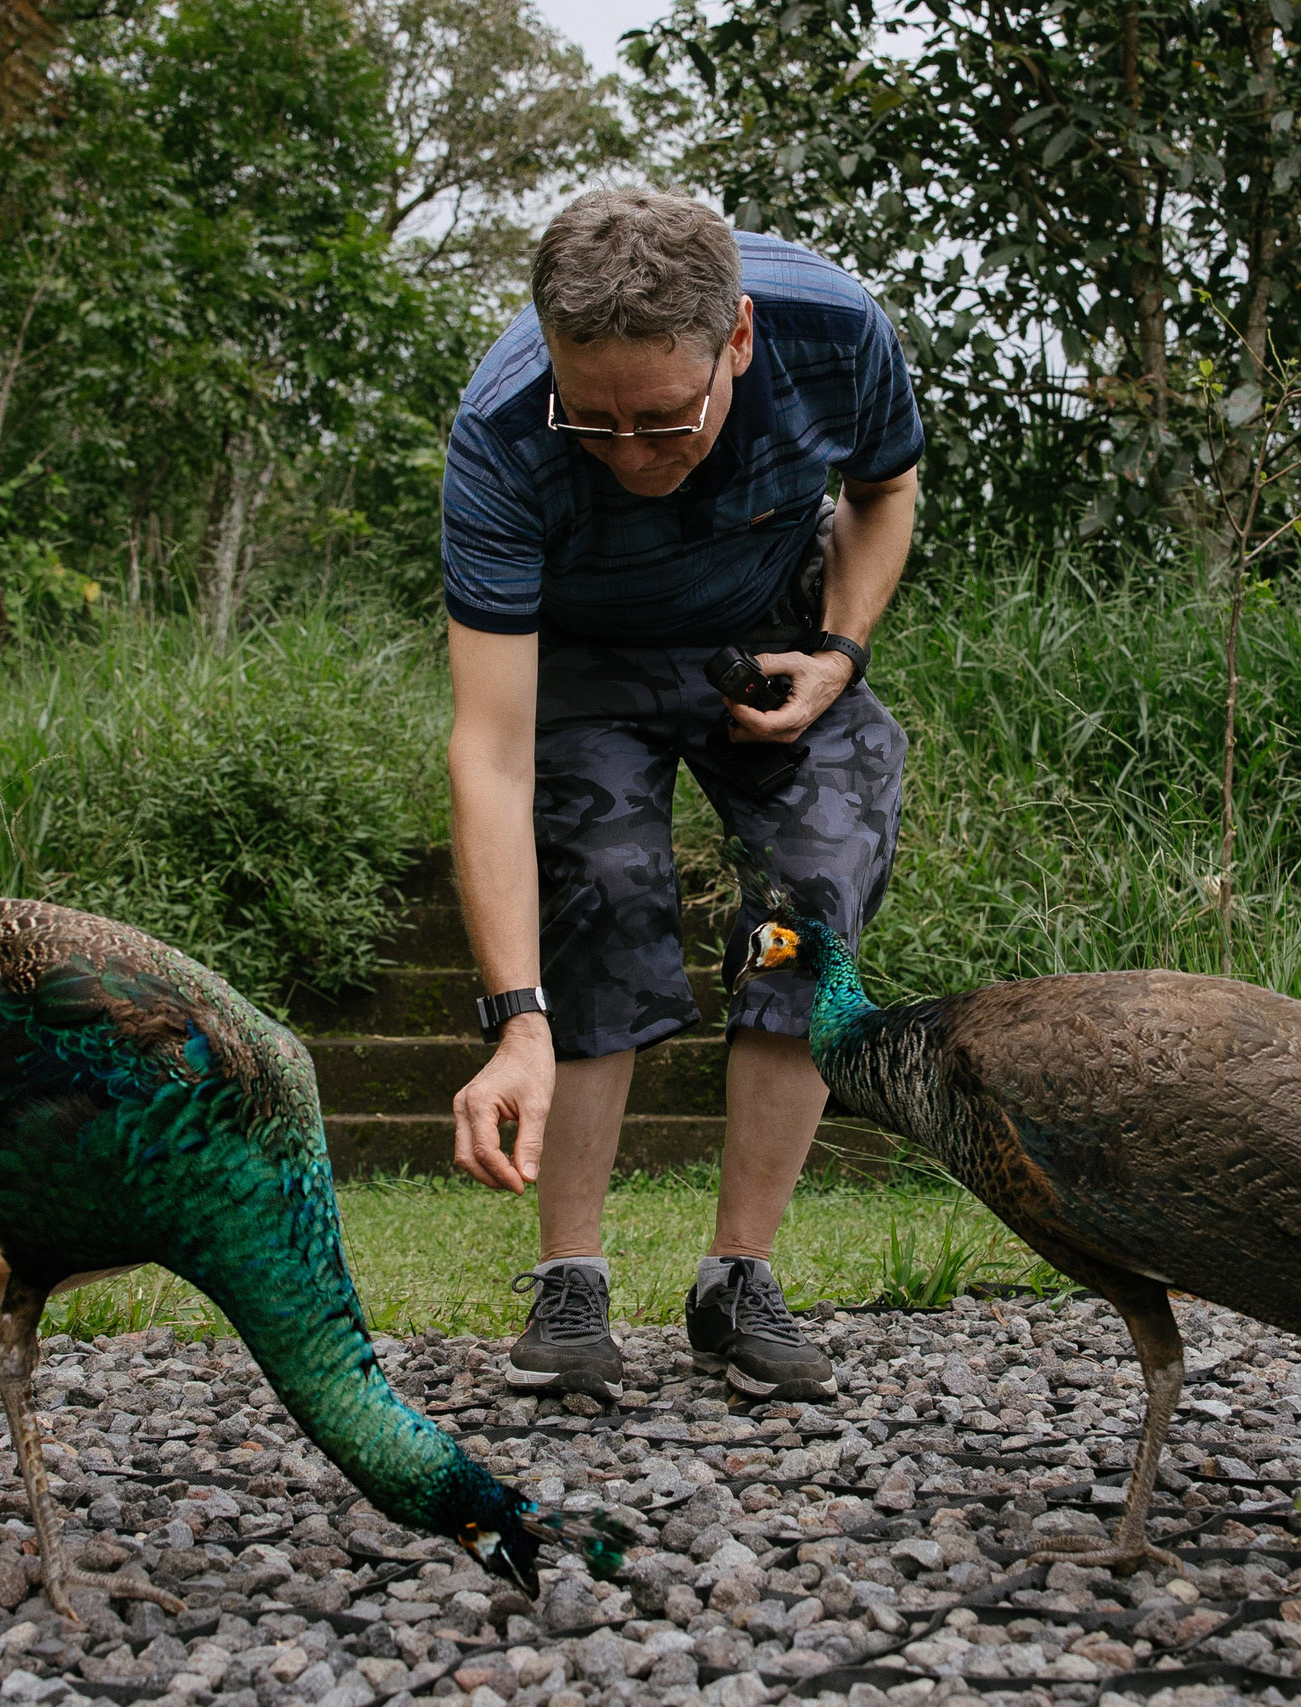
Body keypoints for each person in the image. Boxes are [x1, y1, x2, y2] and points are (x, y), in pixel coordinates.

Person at [441, 186, 922, 1403]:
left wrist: (841, 652)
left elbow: (883, 490)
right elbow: (491, 750)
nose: (626, 453)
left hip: (764, 629)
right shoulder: (501, 430)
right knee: (600, 889)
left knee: (810, 901)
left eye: (661, 420)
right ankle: (570, 1280)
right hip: (582, 656)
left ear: (738, 341)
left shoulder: (834, 332)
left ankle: (738, 1279)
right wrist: (516, 1013)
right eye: (589, 422)